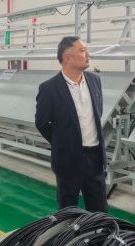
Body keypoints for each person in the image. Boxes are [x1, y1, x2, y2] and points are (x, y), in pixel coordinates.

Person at [35, 36, 108, 212]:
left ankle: (99, 232)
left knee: (100, 212)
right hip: (68, 160)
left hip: (95, 158)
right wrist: (63, 142)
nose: (88, 55)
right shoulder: (49, 88)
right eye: (83, 51)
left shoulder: (94, 80)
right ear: (68, 58)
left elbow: (97, 113)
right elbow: (42, 123)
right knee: (68, 212)